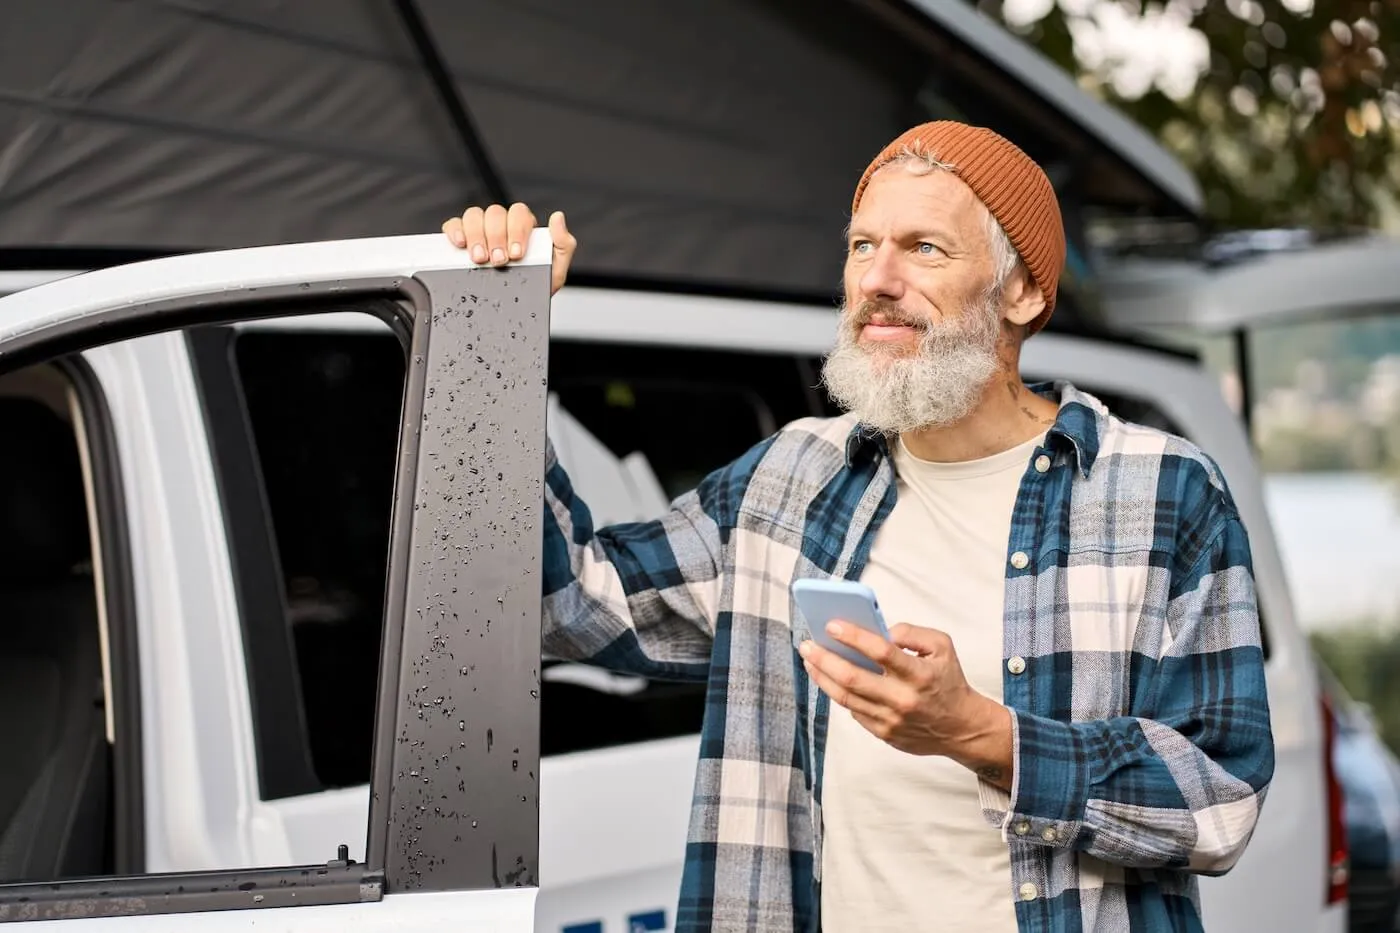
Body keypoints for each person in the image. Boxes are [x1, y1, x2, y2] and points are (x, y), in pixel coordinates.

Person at [441, 120, 1274, 933]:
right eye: (862, 245)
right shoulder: (790, 477)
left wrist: (977, 732)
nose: (876, 279)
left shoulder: (1159, 490)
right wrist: (497, 336)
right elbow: (571, 604)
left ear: (1021, 291)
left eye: (924, 248)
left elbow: (1220, 800)